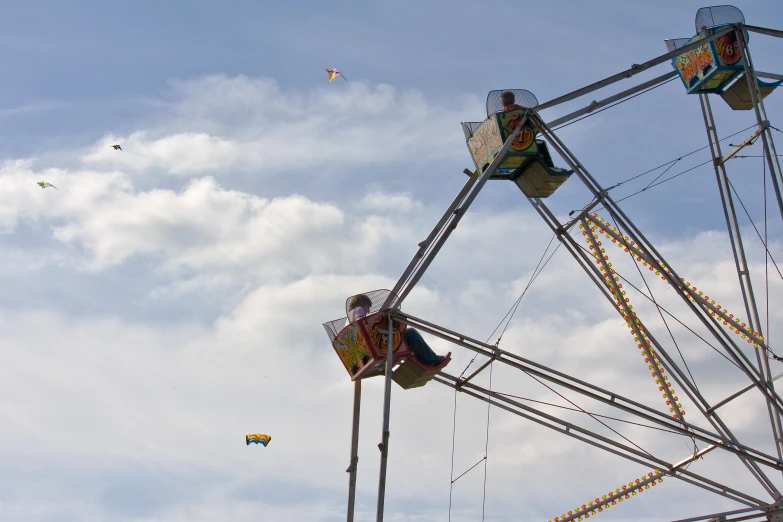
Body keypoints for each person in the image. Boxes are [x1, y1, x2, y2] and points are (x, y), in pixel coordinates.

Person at [346, 294, 449, 366]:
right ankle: (431, 359)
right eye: (367, 307)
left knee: (404, 337)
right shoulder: (358, 310)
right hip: (377, 345)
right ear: (362, 304)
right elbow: (362, 323)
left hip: (364, 351)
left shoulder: (348, 320)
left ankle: (423, 358)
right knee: (410, 333)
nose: (368, 310)